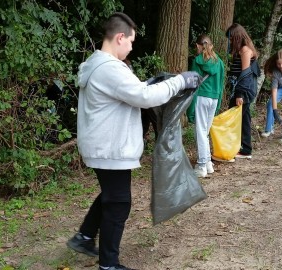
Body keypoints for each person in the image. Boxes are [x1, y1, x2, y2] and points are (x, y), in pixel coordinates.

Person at [67, 12, 201, 270]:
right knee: (119, 202)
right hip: (109, 148)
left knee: (111, 195)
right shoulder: (108, 68)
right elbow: (143, 97)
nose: (131, 47)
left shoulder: (98, 64)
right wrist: (179, 81)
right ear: (119, 38)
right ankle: (108, 264)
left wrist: (149, 83)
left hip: (103, 145)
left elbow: (130, 92)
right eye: (130, 42)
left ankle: (84, 237)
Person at [191, 34, 225, 178]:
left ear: (199, 46)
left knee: (200, 131)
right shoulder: (220, 62)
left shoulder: (197, 62)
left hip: (202, 97)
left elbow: (193, 84)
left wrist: (190, 107)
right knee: (205, 131)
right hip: (214, 98)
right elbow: (221, 84)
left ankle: (201, 165)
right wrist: (218, 103)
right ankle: (209, 163)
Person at [225, 23, 260, 159]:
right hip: (240, 90)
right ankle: (246, 149)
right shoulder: (241, 50)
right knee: (244, 118)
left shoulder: (245, 51)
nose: (230, 41)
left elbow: (244, 75)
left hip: (244, 91)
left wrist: (240, 94)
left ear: (237, 37)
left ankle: (231, 149)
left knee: (232, 118)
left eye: (232, 38)